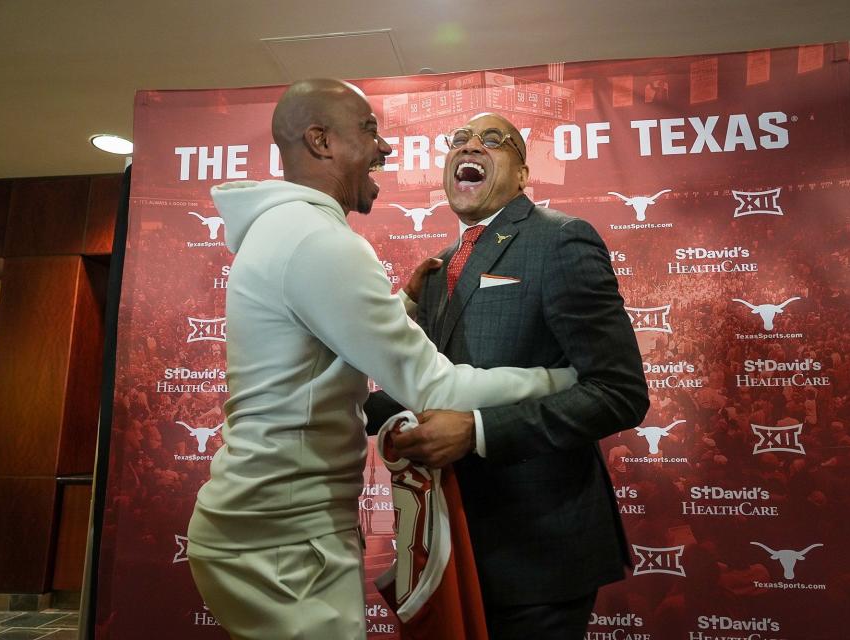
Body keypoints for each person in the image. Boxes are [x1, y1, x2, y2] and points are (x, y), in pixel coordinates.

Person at [186, 80, 576, 640]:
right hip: (284, 540)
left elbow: (315, 349)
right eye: (370, 130)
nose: (386, 148)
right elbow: (434, 387)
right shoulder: (319, 240)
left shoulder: (285, 229)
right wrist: (562, 378)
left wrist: (405, 306)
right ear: (320, 141)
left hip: (265, 529)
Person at [372, 112, 650, 640]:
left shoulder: (561, 240)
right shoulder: (437, 269)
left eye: (493, 140)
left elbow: (618, 393)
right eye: (458, 140)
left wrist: (476, 431)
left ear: (523, 175)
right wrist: (346, 409)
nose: (469, 145)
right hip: (454, 545)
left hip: (540, 552)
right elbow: (435, 387)